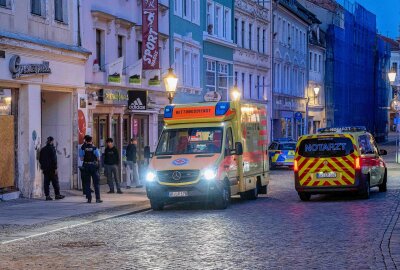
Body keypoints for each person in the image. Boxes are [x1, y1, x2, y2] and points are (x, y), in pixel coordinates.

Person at [39, 137, 65, 201]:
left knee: (46, 183)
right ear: (51, 141)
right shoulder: (52, 149)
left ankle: (47, 196)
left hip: (45, 169)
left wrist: (43, 167)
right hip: (52, 169)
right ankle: (57, 195)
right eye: (53, 141)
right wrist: (55, 168)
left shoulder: (43, 149)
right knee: (55, 182)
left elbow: (40, 159)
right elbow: (54, 159)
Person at [79, 136, 102, 203]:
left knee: (87, 183)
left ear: (85, 141)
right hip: (93, 166)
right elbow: (98, 158)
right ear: (91, 140)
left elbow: (81, 159)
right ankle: (97, 199)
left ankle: (89, 199)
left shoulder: (83, 148)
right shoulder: (94, 148)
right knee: (96, 183)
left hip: (86, 166)